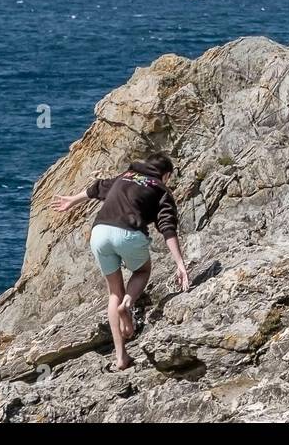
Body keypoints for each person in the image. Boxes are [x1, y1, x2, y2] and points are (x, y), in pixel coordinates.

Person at [51, 153, 189, 370]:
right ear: (167, 175)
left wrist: (72, 200)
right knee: (142, 271)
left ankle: (120, 357)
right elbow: (167, 226)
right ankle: (128, 304)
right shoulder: (161, 189)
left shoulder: (126, 176)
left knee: (114, 292)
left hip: (99, 232)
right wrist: (180, 264)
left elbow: (98, 188)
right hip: (128, 233)